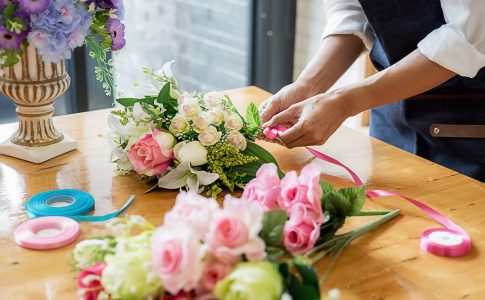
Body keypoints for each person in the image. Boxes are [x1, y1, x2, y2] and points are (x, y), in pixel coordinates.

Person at [260, 0, 485, 182]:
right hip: (391, 120)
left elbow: (467, 36)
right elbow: (352, 10)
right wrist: (308, 85)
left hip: (468, 126)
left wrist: (345, 102)